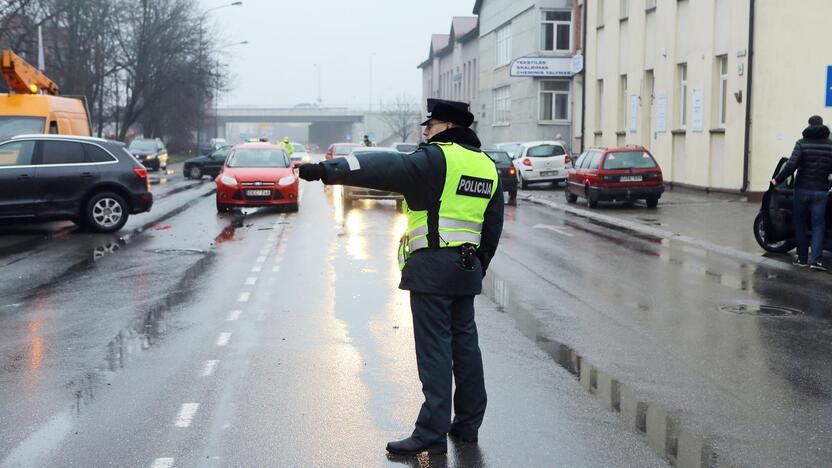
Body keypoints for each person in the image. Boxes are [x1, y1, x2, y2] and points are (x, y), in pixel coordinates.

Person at [298, 98, 504, 456]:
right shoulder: (486, 166)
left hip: (432, 271)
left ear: (449, 128)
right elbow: (493, 224)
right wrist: (478, 265)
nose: (425, 130)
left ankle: (430, 434)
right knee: (465, 346)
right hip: (466, 270)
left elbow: (382, 166)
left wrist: (327, 170)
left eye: (432, 124)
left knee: (435, 350)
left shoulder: (436, 158)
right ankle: (467, 425)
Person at [772, 115, 832, 270]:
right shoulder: (830, 145)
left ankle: (803, 259)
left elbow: (791, 166)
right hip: (820, 192)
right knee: (819, 225)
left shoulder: (801, 143)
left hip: (802, 189)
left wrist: (777, 180)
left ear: (809, 125)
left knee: (799, 223)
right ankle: (817, 261)